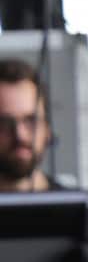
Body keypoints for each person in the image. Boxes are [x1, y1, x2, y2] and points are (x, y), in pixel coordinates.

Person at [0, 58, 55, 193]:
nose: (20, 135)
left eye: (31, 121)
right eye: (4, 123)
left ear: (47, 129)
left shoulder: (76, 209)